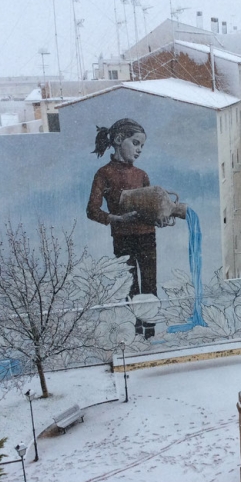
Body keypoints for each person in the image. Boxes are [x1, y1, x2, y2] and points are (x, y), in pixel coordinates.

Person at [87, 118, 160, 338]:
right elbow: (92, 210)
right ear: (119, 140)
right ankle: (135, 331)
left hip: (147, 236)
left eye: (142, 146)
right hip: (122, 238)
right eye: (136, 143)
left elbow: (150, 208)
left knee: (149, 285)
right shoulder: (104, 173)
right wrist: (116, 219)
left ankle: (150, 331)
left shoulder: (142, 175)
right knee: (130, 286)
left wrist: (159, 217)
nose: (139, 150)